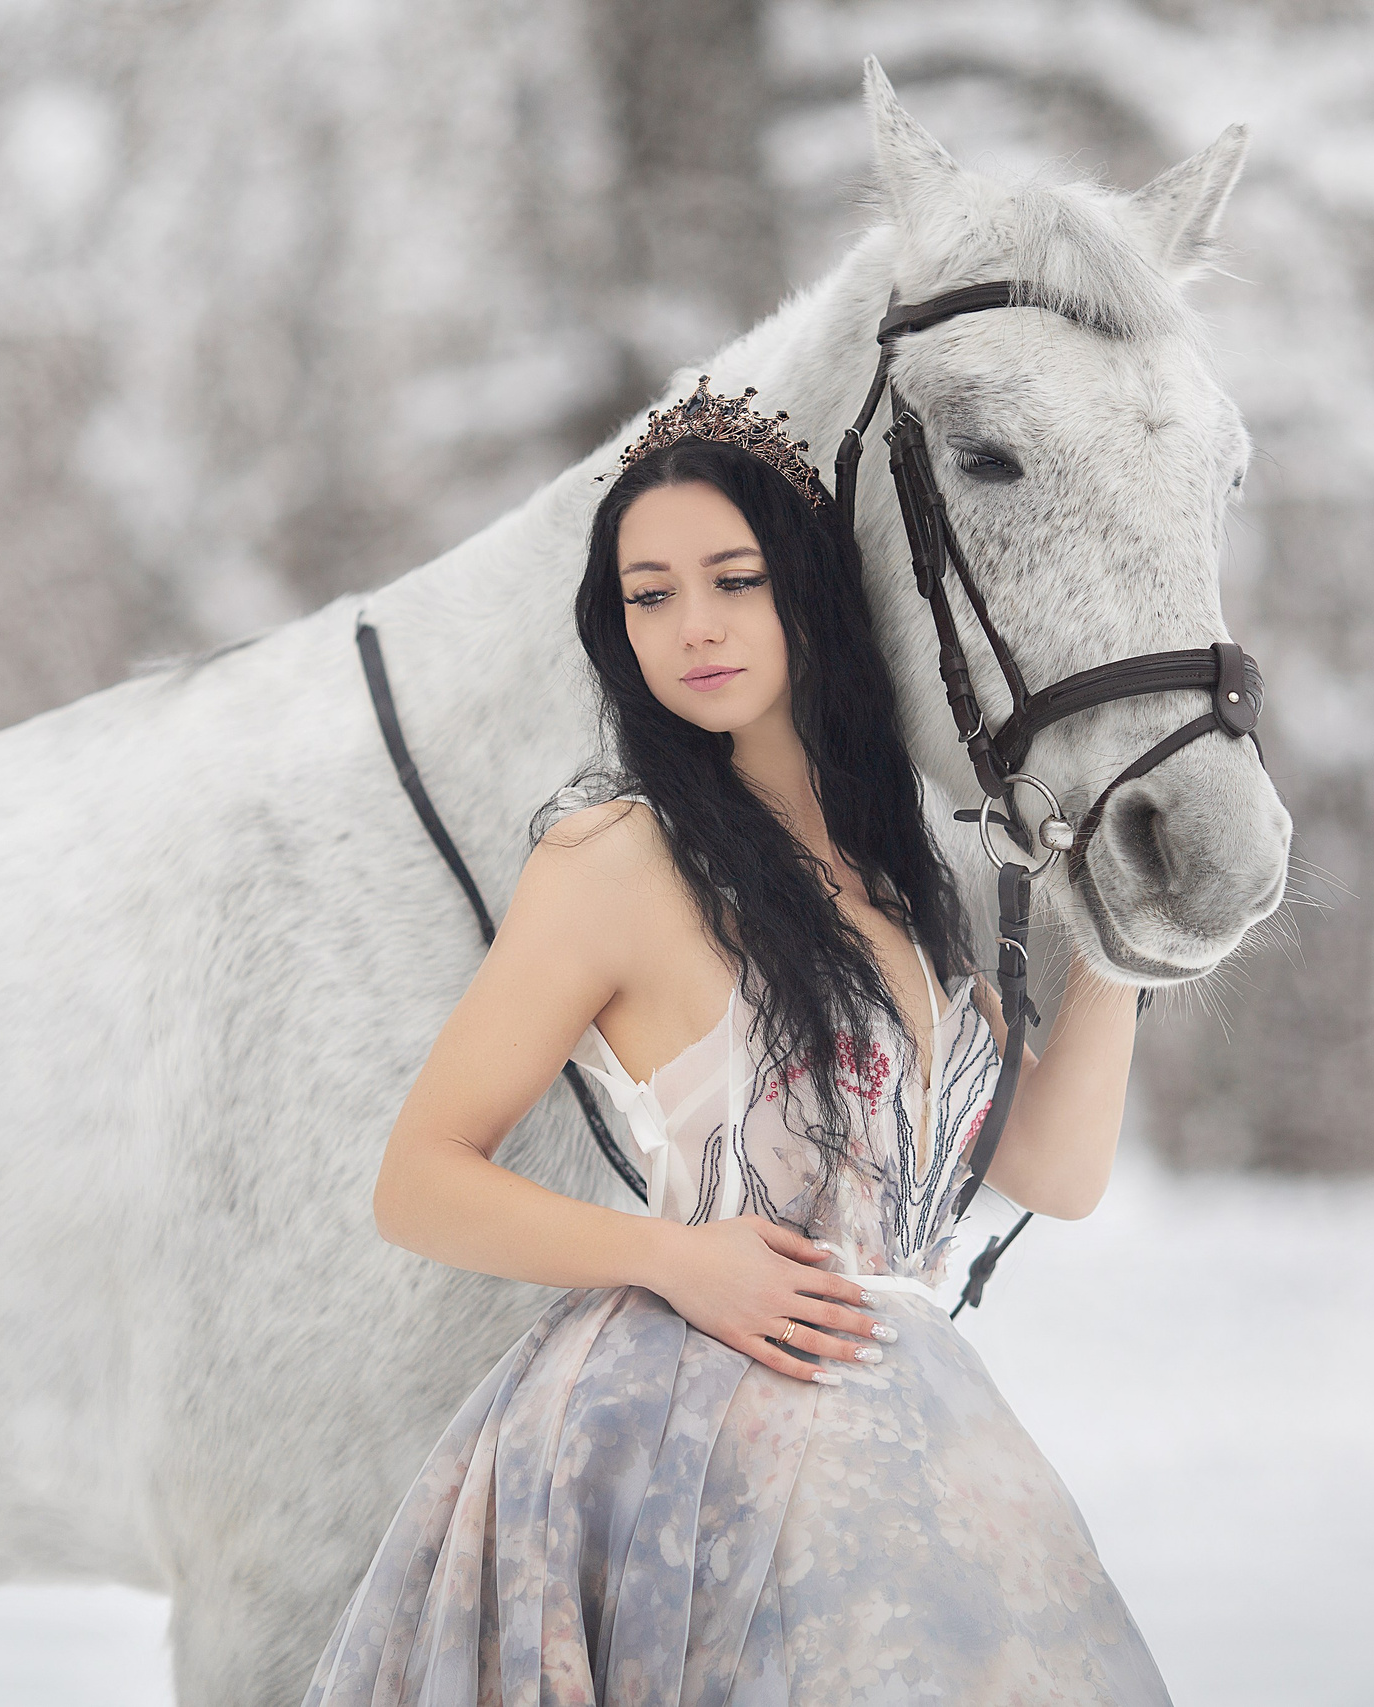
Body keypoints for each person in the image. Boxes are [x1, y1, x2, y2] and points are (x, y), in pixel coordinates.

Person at [301, 379, 1170, 1704]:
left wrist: (1125, 924)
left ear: (807, 593)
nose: (692, 627)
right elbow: (418, 1180)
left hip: (903, 1432)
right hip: (686, 1437)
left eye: (732, 580)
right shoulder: (614, 859)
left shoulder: (899, 878)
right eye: (649, 596)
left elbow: (1053, 1168)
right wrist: (676, 1259)